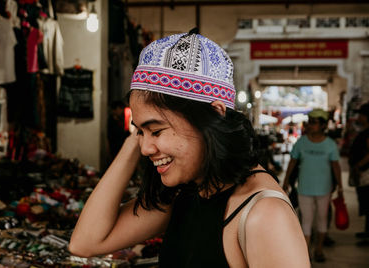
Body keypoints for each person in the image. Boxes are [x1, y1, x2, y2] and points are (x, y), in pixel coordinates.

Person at [69, 30, 310, 267]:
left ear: (214, 115)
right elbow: (85, 243)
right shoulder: (188, 192)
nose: (145, 148)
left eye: (157, 130)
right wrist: (138, 136)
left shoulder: (264, 215)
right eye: (140, 132)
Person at [282, 108, 343, 262]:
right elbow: (292, 162)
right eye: (309, 122)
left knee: (322, 219)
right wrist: (285, 181)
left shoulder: (330, 145)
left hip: (324, 189)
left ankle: (319, 249)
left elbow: (336, 166)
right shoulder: (301, 142)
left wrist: (340, 186)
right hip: (304, 188)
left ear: (323, 125)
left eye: (314, 123)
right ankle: (306, 252)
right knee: (306, 221)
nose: (310, 125)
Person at [348, 102, 369, 243]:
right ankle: (367, 232)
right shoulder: (364, 132)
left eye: (361, 115)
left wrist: (358, 166)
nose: (358, 117)